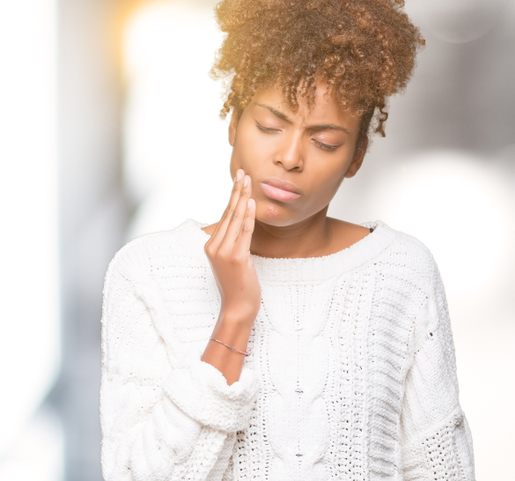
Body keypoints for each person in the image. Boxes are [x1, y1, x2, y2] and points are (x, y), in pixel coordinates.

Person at [98, 0, 475, 479]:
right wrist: (234, 317)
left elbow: (443, 469)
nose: (291, 157)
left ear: (356, 157)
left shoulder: (402, 272)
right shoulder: (145, 273)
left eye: (325, 142)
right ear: (233, 122)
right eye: (270, 125)